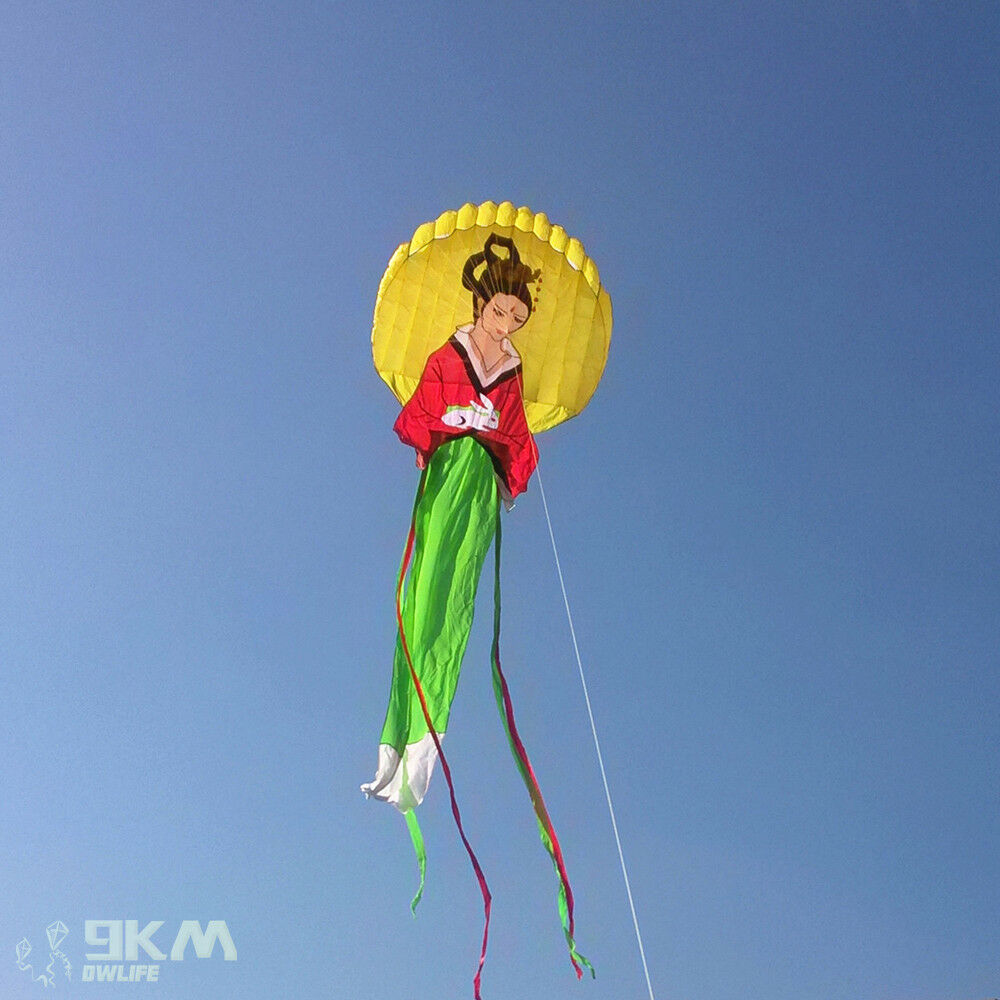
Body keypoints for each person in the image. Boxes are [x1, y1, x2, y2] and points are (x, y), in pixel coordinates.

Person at [361, 234, 540, 811]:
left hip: (479, 482)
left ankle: (424, 746)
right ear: (481, 305)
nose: (506, 326)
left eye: (517, 319)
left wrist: (502, 461)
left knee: (456, 598)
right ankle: (395, 738)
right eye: (500, 312)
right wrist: (450, 424)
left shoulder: (511, 372)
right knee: (423, 591)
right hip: (447, 473)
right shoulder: (450, 354)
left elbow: (516, 432)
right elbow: (425, 405)